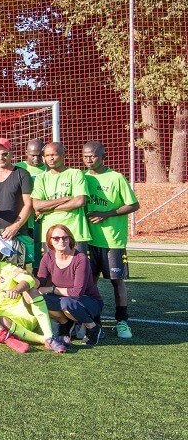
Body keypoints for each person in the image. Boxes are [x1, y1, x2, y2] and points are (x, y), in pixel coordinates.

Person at [0, 238, 67, 352]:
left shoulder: (7, 268)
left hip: (23, 313)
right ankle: (46, 340)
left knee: (32, 290)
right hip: (1, 322)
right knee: (0, 321)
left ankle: (49, 335)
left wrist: (16, 289)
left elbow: (29, 281)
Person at [82, 141, 139, 339]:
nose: (89, 159)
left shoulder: (116, 178)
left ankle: (122, 321)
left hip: (113, 241)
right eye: (85, 156)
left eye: (93, 156)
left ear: (103, 156)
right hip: (89, 240)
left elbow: (133, 204)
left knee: (117, 281)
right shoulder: (82, 178)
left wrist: (107, 214)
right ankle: (94, 320)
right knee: (90, 282)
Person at [36, 224, 104, 346]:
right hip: (65, 299)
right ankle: (65, 323)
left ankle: (93, 327)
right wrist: (25, 278)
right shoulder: (47, 257)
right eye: (56, 238)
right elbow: (39, 283)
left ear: (70, 239)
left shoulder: (80, 258)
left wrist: (52, 289)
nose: (61, 241)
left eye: (65, 237)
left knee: (67, 303)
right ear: (50, 241)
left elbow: (76, 292)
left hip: (89, 301)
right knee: (38, 300)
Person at [32, 142, 90, 248]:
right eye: (47, 156)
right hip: (50, 234)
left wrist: (48, 209)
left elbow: (79, 201)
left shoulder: (76, 174)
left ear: (63, 155)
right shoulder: (41, 178)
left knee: (77, 265)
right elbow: (37, 205)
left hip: (74, 234)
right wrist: (64, 199)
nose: (51, 158)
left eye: (54, 155)